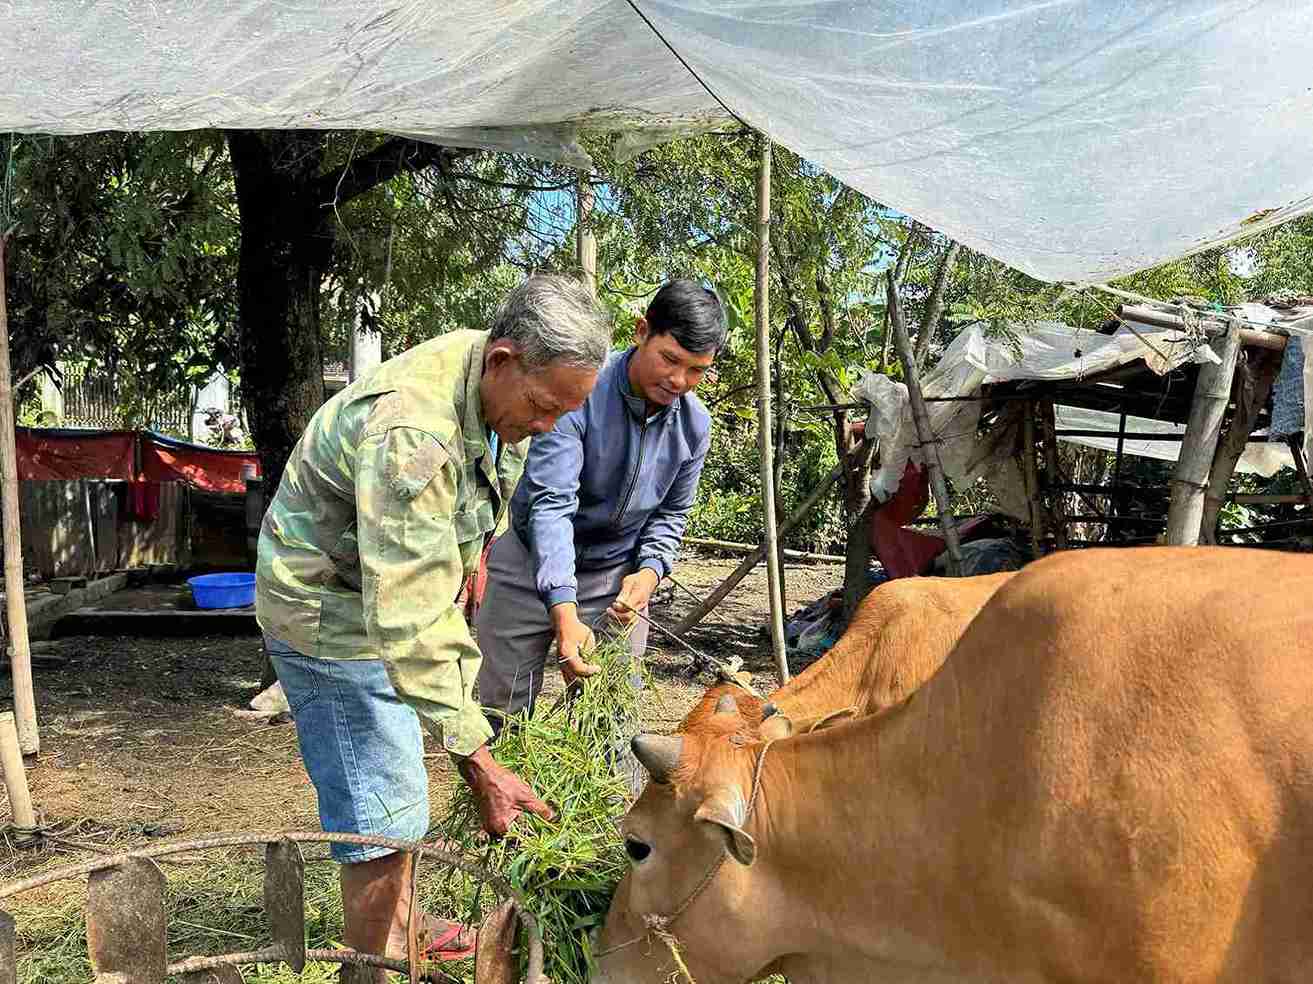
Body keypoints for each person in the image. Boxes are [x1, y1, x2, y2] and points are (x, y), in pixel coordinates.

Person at [254, 274, 612, 977]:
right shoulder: (413, 434)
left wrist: (469, 563)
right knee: (380, 800)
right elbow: (408, 619)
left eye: (560, 416)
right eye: (542, 408)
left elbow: (467, 504)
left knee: (394, 784)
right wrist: (479, 762)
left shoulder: (484, 377)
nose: (545, 427)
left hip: (377, 590)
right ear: (506, 359)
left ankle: (402, 921)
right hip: (328, 610)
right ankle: (378, 957)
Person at [476, 279, 726, 783]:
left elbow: (671, 515)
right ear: (641, 332)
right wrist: (563, 610)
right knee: (502, 718)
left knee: (611, 727)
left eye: (696, 370)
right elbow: (552, 505)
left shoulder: (694, 427)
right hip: (530, 565)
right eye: (669, 359)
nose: (679, 380)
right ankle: (506, 844)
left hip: (615, 583)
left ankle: (607, 848)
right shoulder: (579, 391)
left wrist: (649, 574)